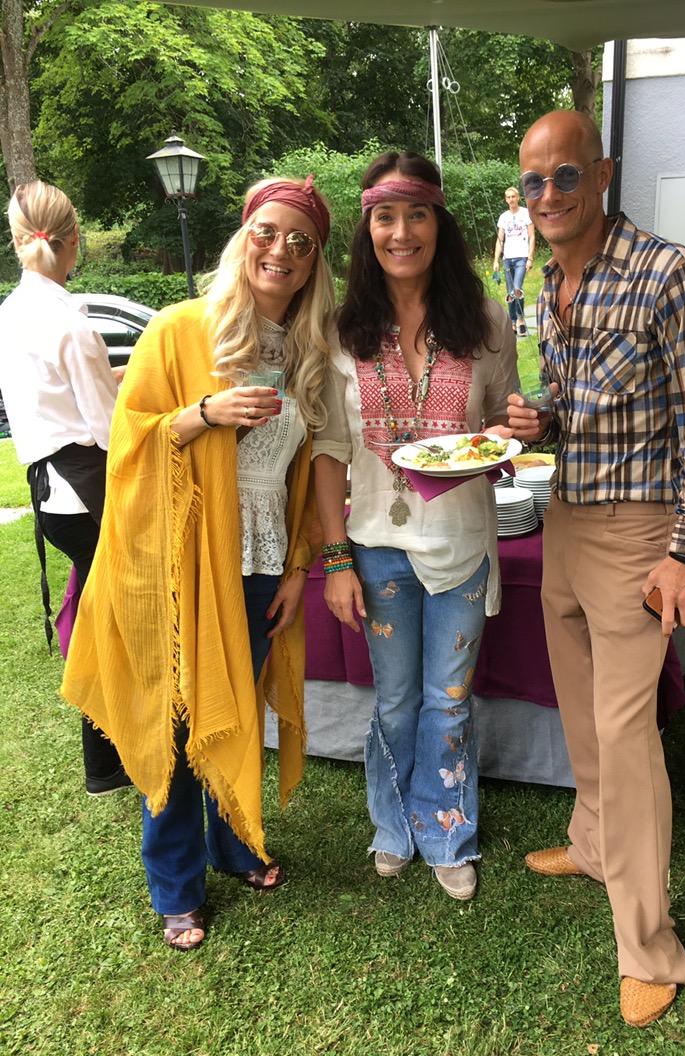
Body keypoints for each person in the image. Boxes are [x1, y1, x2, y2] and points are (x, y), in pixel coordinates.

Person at [503, 111, 685, 1026]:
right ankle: (595, 845)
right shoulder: (552, 282)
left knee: (626, 732)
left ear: (602, 175)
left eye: (565, 175)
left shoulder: (671, 273)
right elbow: (577, 402)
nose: (549, 194)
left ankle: (651, 949)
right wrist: (543, 419)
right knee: (581, 707)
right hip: (567, 516)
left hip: (641, 533)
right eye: (534, 181)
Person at [62, 176, 335, 950]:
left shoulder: (309, 352)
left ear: (314, 263)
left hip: (261, 560)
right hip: (184, 558)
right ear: (244, 238)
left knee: (236, 706)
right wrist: (204, 414)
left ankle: (236, 842)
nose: (281, 250)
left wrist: (296, 567)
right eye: (267, 232)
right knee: (178, 719)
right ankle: (176, 882)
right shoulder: (182, 329)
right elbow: (127, 442)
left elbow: (303, 475)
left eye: (301, 241)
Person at [313, 152, 518, 901]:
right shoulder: (342, 331)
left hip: (461, 545)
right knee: (395, 700)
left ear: (440, 223)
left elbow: (500, 421)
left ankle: (448, 831)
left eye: (417, 214)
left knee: (449, 699)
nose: (401, 232)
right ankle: (395, 827)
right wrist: (336, 561)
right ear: (367, 229)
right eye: (385, 217)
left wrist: (510, 431)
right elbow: (330, 450)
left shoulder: (487, 320)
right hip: (375, 547)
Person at [0, 181, 129, 796]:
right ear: (73, 240)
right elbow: (107, 426)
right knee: (114, 625)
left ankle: (106, 761)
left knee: (99, 617)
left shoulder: (11, 312)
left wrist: (118, 375)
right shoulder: (70, 324)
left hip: (53, 494)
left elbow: (58, 398)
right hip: (86, 490)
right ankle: (108, 758)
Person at [492, 186, 535, 338]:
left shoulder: (526, 214)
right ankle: (513, 322)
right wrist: (496, 260)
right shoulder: (503, 217)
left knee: (517, 288)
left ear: (518, 198)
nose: (511, 199)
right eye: (508, 197)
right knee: (510, 292)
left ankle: (521, 319)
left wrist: (530, 257)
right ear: (506, 200)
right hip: (507, 259)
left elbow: (532, 236)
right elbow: (500, 240)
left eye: (513, 196)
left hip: (521, 257)